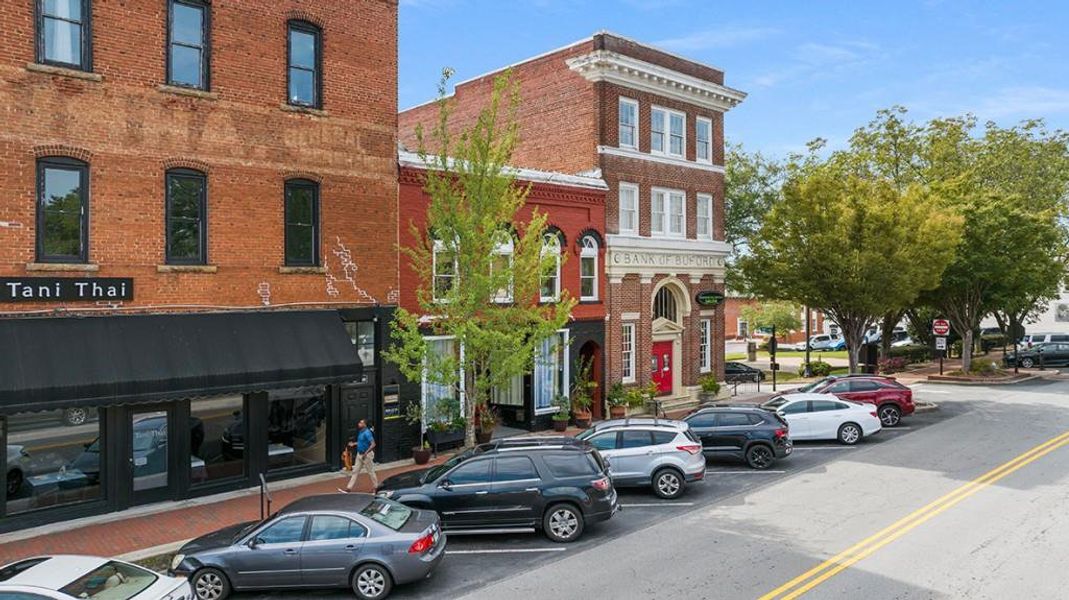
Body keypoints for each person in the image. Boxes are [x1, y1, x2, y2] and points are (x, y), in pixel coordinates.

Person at [339, 419, 377, 493]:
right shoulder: (360, 432)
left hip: (366, 455)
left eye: (361, 423)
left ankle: (375, 487)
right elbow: (361, 442)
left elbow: (373, 444)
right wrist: (354, 444)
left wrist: (366, 453)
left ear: (365, 425)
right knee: (355, 471)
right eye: (359, 422)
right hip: (359, 454)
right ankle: (348, 488)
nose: (359, 424)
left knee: (371, 472)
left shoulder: (367, 433)